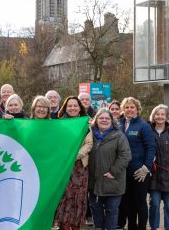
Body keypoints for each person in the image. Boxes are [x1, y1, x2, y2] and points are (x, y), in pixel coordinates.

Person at [88, 109, 131, 230]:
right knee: (95, 209)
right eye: (101, 118)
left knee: (111, 210)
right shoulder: (89, 135)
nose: (104, 120)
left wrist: (113, 171)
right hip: (94, 182)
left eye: (107, 118)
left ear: (112, 121)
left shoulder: (119, 136)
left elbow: (125, 155)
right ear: (96, 120)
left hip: (113, 181)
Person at [54, 96, 93, 230]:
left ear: (79, 108)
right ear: (65, 108)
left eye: (75, 105)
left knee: (78, 198)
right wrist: (66, 157)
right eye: (69, 106)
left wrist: (73, 156)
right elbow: (56, 145)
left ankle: (76, 226)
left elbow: (89, 144)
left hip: (80, 166)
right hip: (63, 167)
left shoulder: (86, 123)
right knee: (65, 198)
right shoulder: (59, 124)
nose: (72, 108)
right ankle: (64, 226)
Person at [117, 97, 156, 230]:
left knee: (140, 203)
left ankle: (142, 227)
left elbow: (151, 147)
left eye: (132, 107)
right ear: (123, 109)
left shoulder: (144, 125)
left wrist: (146, 168)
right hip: (123, 172)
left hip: (139, 172)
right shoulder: (118, 124)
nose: (129, 109)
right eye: (127, 107)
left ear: (137, 109)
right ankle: (132, 226)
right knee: (127, 203)